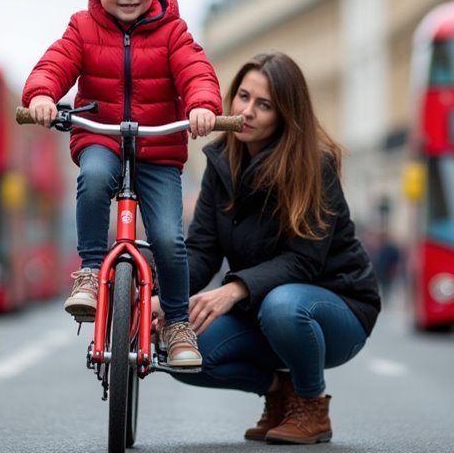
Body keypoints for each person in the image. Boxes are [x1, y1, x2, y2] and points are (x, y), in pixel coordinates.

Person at [21, 0, 223, 368]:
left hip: (159, 149)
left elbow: (196, 71)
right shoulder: (81, 28)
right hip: (102, 135)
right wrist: (41, 96)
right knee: (93, 178)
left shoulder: (173, 31)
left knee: (170, 239)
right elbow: (54, 65)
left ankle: (175, 323)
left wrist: (202, 104)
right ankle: (91, 271)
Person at [159, 51, 381, 443]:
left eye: (264, 105)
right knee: (179, 351)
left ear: (285, 115)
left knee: (284, 305)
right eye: (243, 97)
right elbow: (201, 251)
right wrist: (164, 296)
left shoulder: (314, 164)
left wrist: (235, 289)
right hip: (260, 308)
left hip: (336, 308)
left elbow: (306, 260)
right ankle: (280, 395)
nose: (247, 111)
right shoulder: (220, 162)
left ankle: (311, 406)